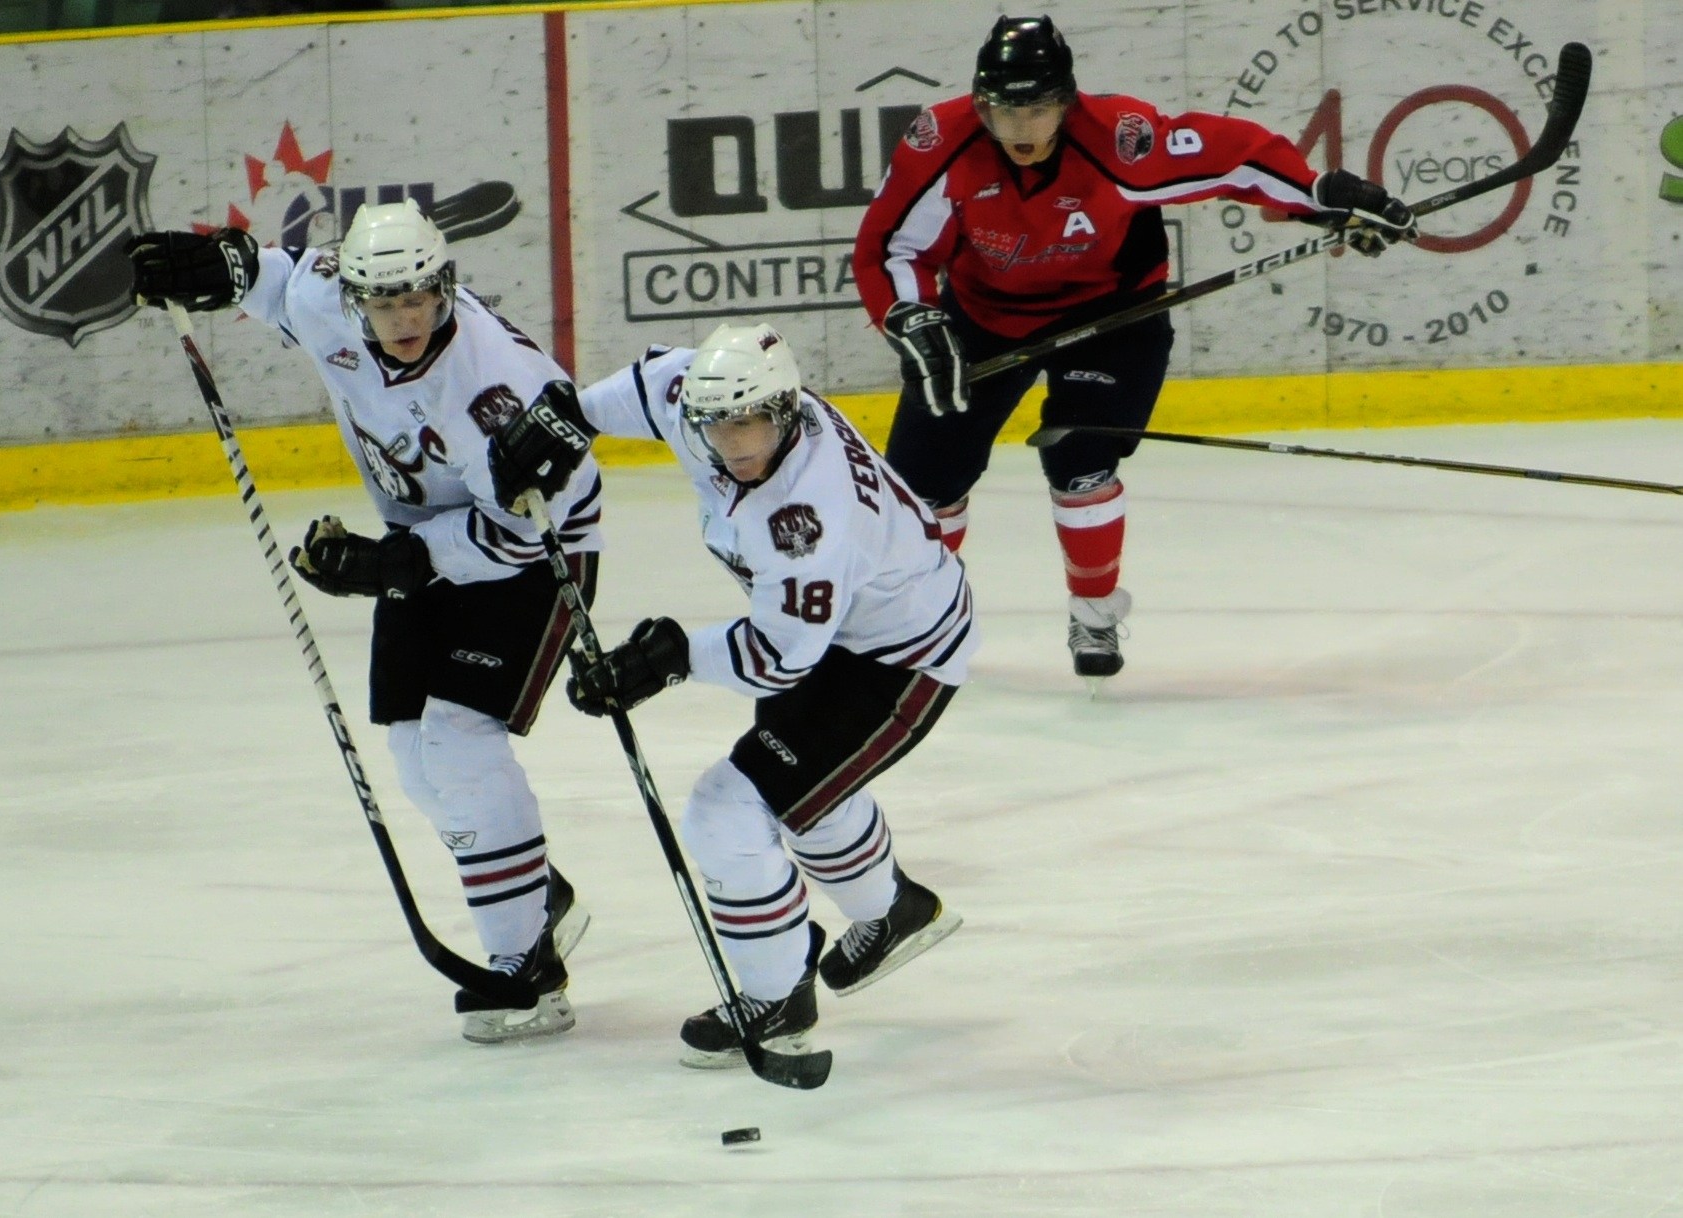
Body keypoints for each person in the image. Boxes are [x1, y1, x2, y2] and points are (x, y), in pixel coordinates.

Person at [128, 200, 600, 1045]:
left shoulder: (496, 391)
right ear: (357, 299)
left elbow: (526, 526)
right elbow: (274, 281)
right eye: (386, 302)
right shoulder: (332, 301)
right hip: (428, 536)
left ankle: (529, 972)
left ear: (445, 286)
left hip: (536, 552)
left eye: (420, 297)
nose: (405, 317)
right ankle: (536, 895)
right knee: (417, 758)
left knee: (459, 742)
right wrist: (215, 271)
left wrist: (397, 566)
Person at [853, 14, 1417, 681]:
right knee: (922, 487)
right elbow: (893, 247)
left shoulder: (1122, 141)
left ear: (1065, 102)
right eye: (1005, 111)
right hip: (984, 318)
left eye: (1036, 109)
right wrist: (912, 317)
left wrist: (1321, 196)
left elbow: (1235, 157)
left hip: (1113, 316)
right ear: (981, 106)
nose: (1020, 129)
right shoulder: (941, 145)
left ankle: (1094, 615)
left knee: (1080, 461)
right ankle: (918, 619)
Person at [487, 322, 973, 1067]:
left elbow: (777, 658)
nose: (734, 442)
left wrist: (665, 660)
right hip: (847, 628)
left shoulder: (806, 520)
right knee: (806, 789)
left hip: (896, 657)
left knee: (730, 805)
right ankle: (894, 912)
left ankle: (778, 1001)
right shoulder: (707, 396)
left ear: (786, 411)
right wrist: (569, 417)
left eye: (749, 423)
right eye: (718, 425)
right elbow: (655, 386)